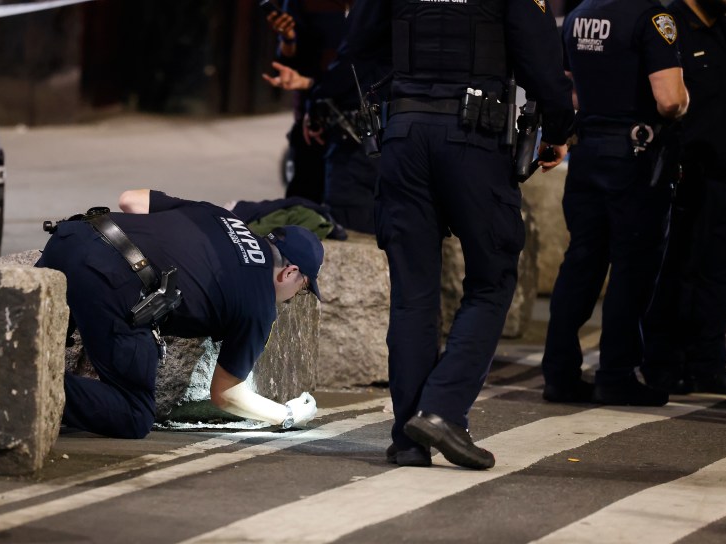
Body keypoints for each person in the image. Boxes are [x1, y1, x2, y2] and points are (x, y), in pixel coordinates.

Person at [341, 0, 575, 470]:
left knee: (413, 293)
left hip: (403, 136)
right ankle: (443, 409)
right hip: (474, 140)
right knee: (492, 279)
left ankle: (409, 439)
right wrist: (559, 129)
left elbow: (357, 45)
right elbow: (543, 64)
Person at [36, 189, 324, 439]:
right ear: (290, 272)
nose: (291, 300)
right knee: (134, 415)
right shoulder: (259, 304)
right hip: (111, 281)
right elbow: (226, 394)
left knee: (26, 340)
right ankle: (30, 387)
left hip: (72, 236)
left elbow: (130, 200)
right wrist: (286, 414)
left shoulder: (223, 216)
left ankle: (11, 371)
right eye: (301, 290)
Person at [542, 0, 689, 407]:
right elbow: (669, 100)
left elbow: (568, 88)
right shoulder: (652, 18)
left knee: (582, 262)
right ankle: (617, 374)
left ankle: (559, 374)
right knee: (632, 267)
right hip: (635, 157)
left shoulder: (578, 16)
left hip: (587, 152)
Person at [641, 0, 726, 396]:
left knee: (718, 281)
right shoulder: (668, 26)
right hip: (685, 177)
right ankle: (664, 365)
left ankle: (708, 364)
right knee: (674, 278)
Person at [264, 1, 355, 207]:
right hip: (316, 111)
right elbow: (289, 58)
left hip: (363, 116)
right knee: (304, 204)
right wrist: (288, 37)